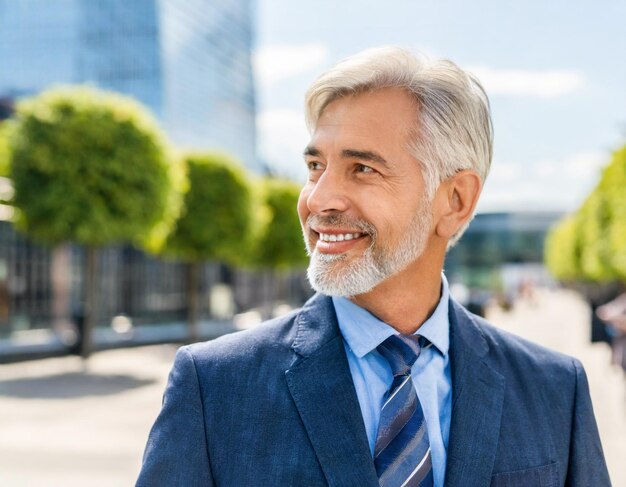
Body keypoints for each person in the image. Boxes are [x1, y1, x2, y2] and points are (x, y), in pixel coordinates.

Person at [137, 47, 610, 487]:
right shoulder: (214, 387)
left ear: (455, 201)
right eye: (315, 166)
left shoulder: (554, 390)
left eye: (362, 168)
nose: (318, 200)